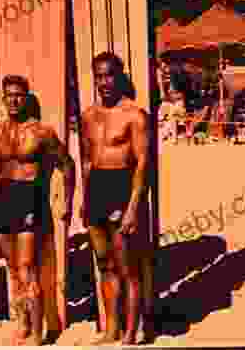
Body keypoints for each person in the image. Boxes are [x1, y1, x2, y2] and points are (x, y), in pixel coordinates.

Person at [0, 75, 75, 345]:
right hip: (2, 200)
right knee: (12, 268)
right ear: (3, 98)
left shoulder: (41, 133)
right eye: (9, 95)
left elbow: (67, 164)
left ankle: (38, 333)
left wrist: (66, 200)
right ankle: (22, 323)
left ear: (26, 98)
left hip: (28, 198)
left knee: (27, 268)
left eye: (19, 95)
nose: (14, 100)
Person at [80, 52, 153, 345]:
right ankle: (111, 329)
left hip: (122, 187)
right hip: (96, 188)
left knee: (127, 269)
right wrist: (84, 200)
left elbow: (143, 163)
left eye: (109, 75)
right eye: (99, 76)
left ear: (120, 77)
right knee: (104, 265)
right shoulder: (88, 115)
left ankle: (130, 333)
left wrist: (133, 207)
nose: (104, 81)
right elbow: (86, 161)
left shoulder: (135, 115)